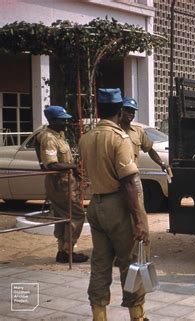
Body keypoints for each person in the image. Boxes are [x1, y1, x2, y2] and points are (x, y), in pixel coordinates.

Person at [79, 88, 149, 321]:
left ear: (99, 109)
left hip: (96, 205)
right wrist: (139, 221)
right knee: (130, 263)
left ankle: (99, 315)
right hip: (118, 206)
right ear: (120, 110)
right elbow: (129, 183)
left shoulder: (86, 138)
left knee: (100, 263)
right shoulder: (120, 138)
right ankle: (137, 315)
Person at [36, 105, 88, 264]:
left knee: (62, 217)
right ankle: (68, 251)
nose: (66, 122)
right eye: (62, 119)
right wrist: (72, 167)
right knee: (77, 215)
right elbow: (51, 165)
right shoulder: (49, 138)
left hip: (66, 183)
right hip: (60, 184)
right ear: (52, 120)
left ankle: (62, 251)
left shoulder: (58, 135)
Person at [119, 97, 167, 259]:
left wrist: (162, 163)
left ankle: (140, 255)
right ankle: (121, 255)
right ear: (120, 110)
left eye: (133, 111)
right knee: (120, 219)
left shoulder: (138, 131)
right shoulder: (114, 131)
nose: (130, 114)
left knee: (139, 216)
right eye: (127, 110)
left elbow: (150, 149)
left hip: (133, 179)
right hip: (115, 180)